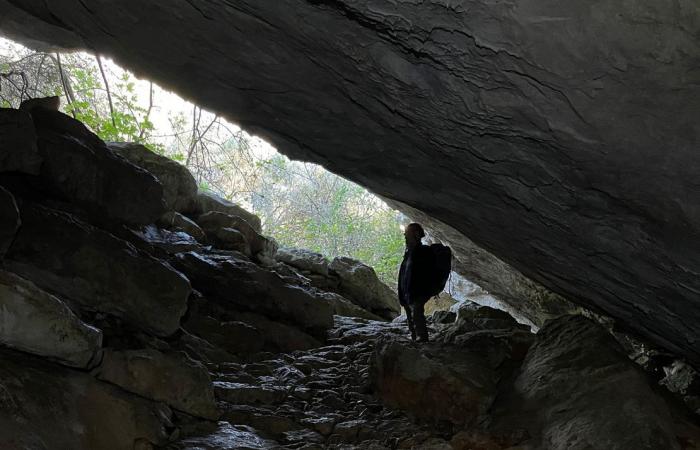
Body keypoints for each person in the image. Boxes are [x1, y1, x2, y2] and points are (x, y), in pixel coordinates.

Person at [398, 223, 432, 342]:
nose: (405, 236)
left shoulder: (423, 252)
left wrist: (423, 290)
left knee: (417, 313)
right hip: (408, 290)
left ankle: (422, 338)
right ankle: (414, 337)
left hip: (417, 290)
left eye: (408, 234)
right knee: (410, 313)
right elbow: (405, 272)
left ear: (416, 235)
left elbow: (424, 273)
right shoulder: (409, 252)